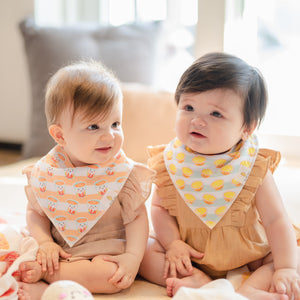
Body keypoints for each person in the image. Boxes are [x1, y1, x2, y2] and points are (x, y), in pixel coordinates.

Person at [139, 52, 300, 300]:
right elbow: (159, 209)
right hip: (191, 255)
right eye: (189, 107)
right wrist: (173, 244)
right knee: (143, 252)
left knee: (290, 256)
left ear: (247, 128)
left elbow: (276, 220)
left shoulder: (253, 167)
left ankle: (246, 291)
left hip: (250, 255)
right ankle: (202, 282)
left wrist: (286, 268)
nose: (197, 120)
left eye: (215, 114)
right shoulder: (168, 163)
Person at [17, 61, 155, 299]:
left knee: (122, 270)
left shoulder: (122, 172)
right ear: (60, 135)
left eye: (115, 123)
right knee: (28, 249)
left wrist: (132, 257)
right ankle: (48, 274)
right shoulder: (47, 172)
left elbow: (138, 217)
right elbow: (36, 213)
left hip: (111, 249)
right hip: (63, 251)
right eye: (94, 126)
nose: (109, 135)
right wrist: (45, 242)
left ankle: (49, 280)